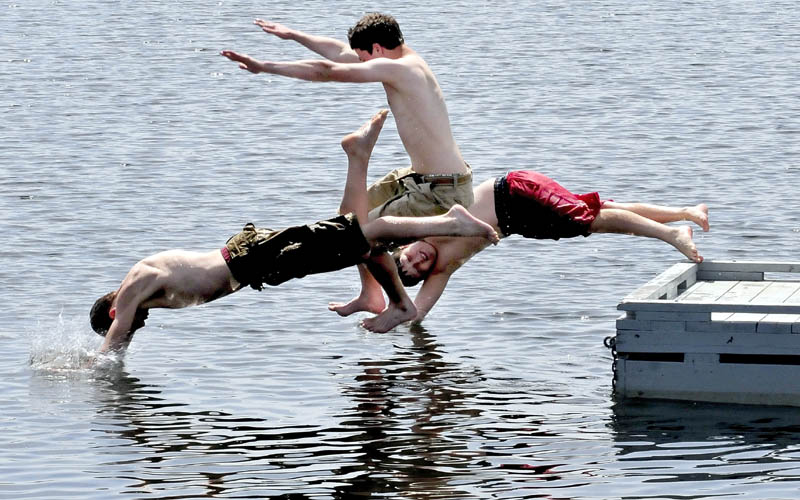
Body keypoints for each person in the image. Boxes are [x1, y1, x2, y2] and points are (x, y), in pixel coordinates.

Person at [90, 112, 499, 355]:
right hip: (256, 264)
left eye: (128, 322)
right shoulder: (143, 290)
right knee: (354, 237)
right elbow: (123, 333)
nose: (137, 327)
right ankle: (392, 298)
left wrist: (91, 366)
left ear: (112, 311)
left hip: (251, 258)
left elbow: (117, 336)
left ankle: (444, 221)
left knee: (360, 234)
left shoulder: (135, 285)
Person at [221, 13, 475, 315]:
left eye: (363, 56)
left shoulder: (403, 70)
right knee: (348, 216)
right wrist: (292, 35)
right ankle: (370, 294)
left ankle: (397, 304)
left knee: (357, 234)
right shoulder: (399, 62)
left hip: (441, 191)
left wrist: (264, 67)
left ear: (377, 49)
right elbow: (339, 53)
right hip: (421, 177)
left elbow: (328, 70)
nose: (358, 61)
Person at [333, 170, 710, 322]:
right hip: (517, 220)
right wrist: (390, 319)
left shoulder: (426, 222)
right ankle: (684, 214)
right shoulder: (443, 270)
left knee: (587, 221)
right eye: (417, 271)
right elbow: (416, 311)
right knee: (602, 210)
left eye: (409, 259)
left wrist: (364, 298)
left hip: (514, 191)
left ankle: (672, 235)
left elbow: (367, 243)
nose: (418, 262)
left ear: (404, 247)